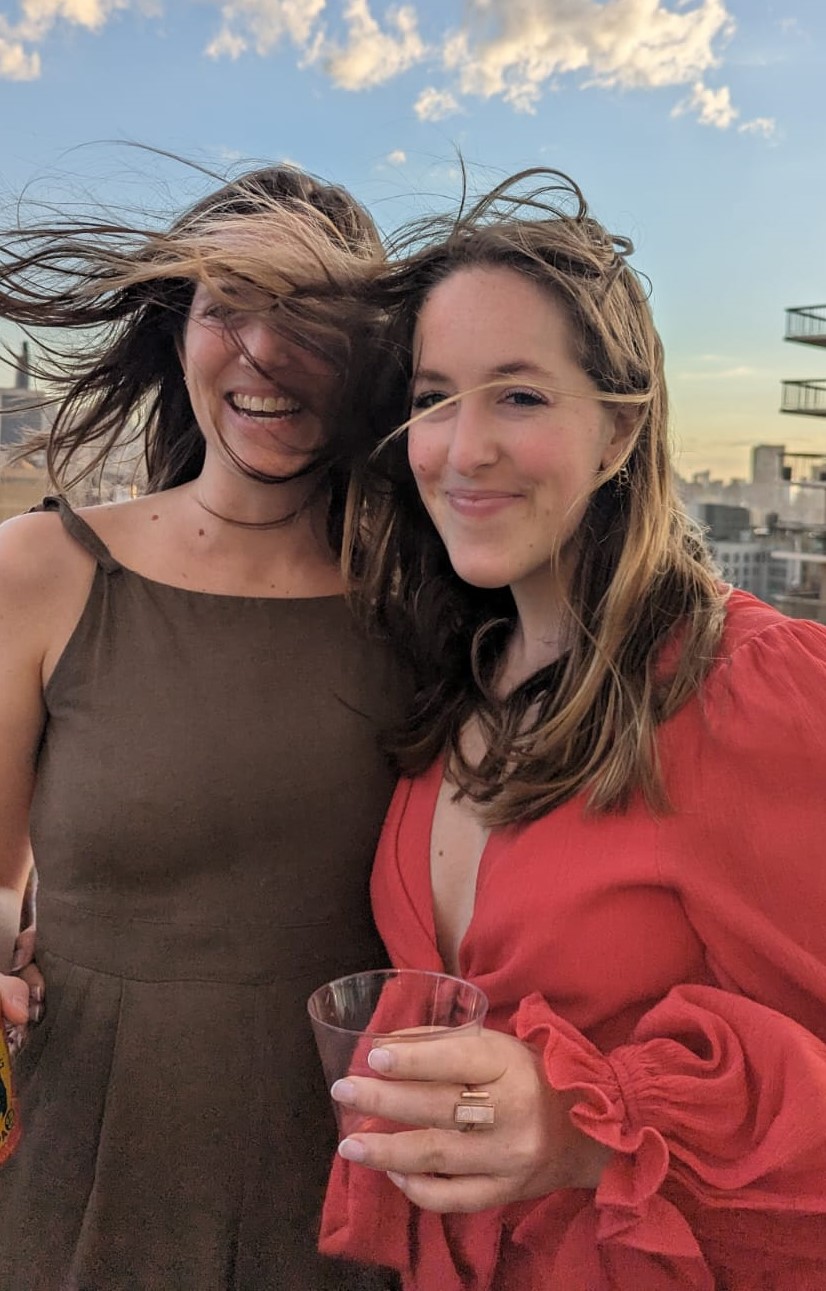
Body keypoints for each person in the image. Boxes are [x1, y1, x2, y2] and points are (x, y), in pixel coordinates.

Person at [320, 169, 826, 1289]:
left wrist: (586, 1128)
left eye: (519, 396)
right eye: (434, 396)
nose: (462, 448)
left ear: (618, 433)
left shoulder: (749, 694)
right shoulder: (450, 679)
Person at [0, 163, 404, 1290]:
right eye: (230, 306)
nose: (265, 352)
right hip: (78, 1165)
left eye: (312, 316)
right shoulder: (42, 567)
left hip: (352, 1181)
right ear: (178, 332)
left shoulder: (425, 603)